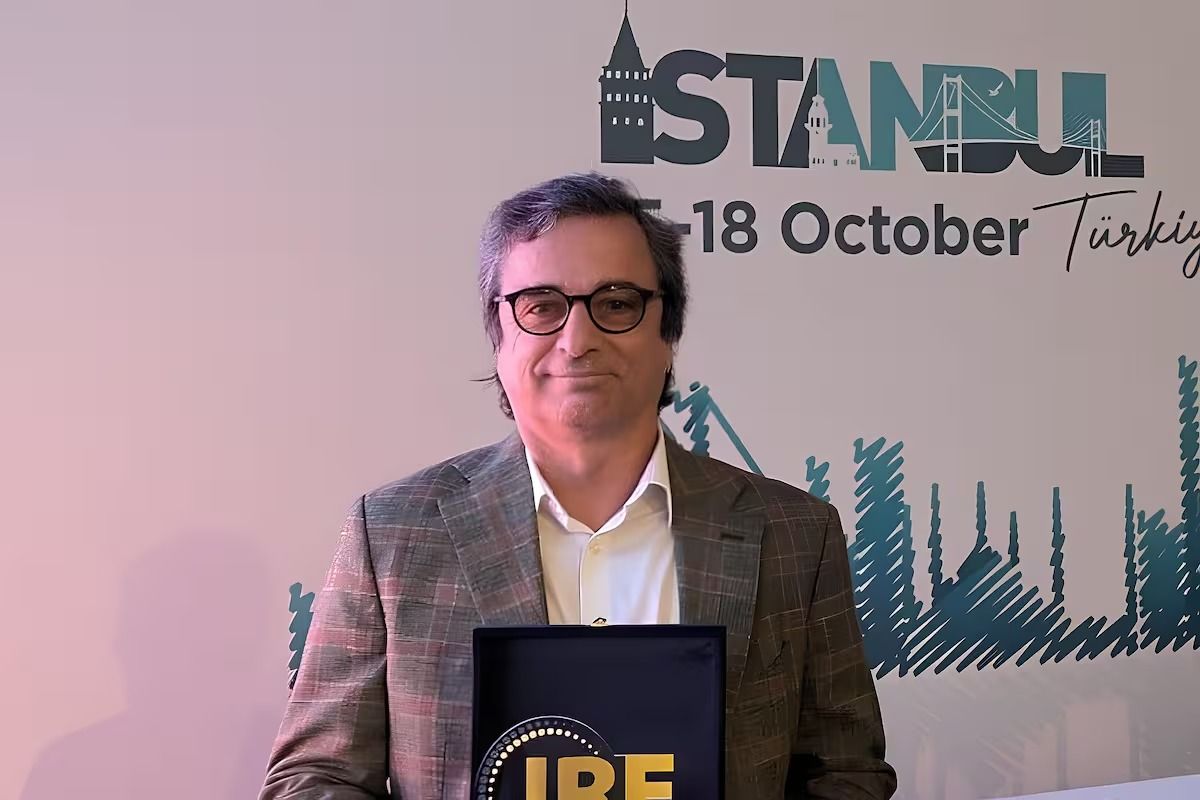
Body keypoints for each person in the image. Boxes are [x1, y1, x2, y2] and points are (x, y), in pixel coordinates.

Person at [259, 172, 897, 799]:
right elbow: (315, 779)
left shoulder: (793, 533)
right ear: (498, 337)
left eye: (616, 303)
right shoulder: (393, 533)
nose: (578, 339)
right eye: (541, 306)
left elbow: (845, 772)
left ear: (669, 334)